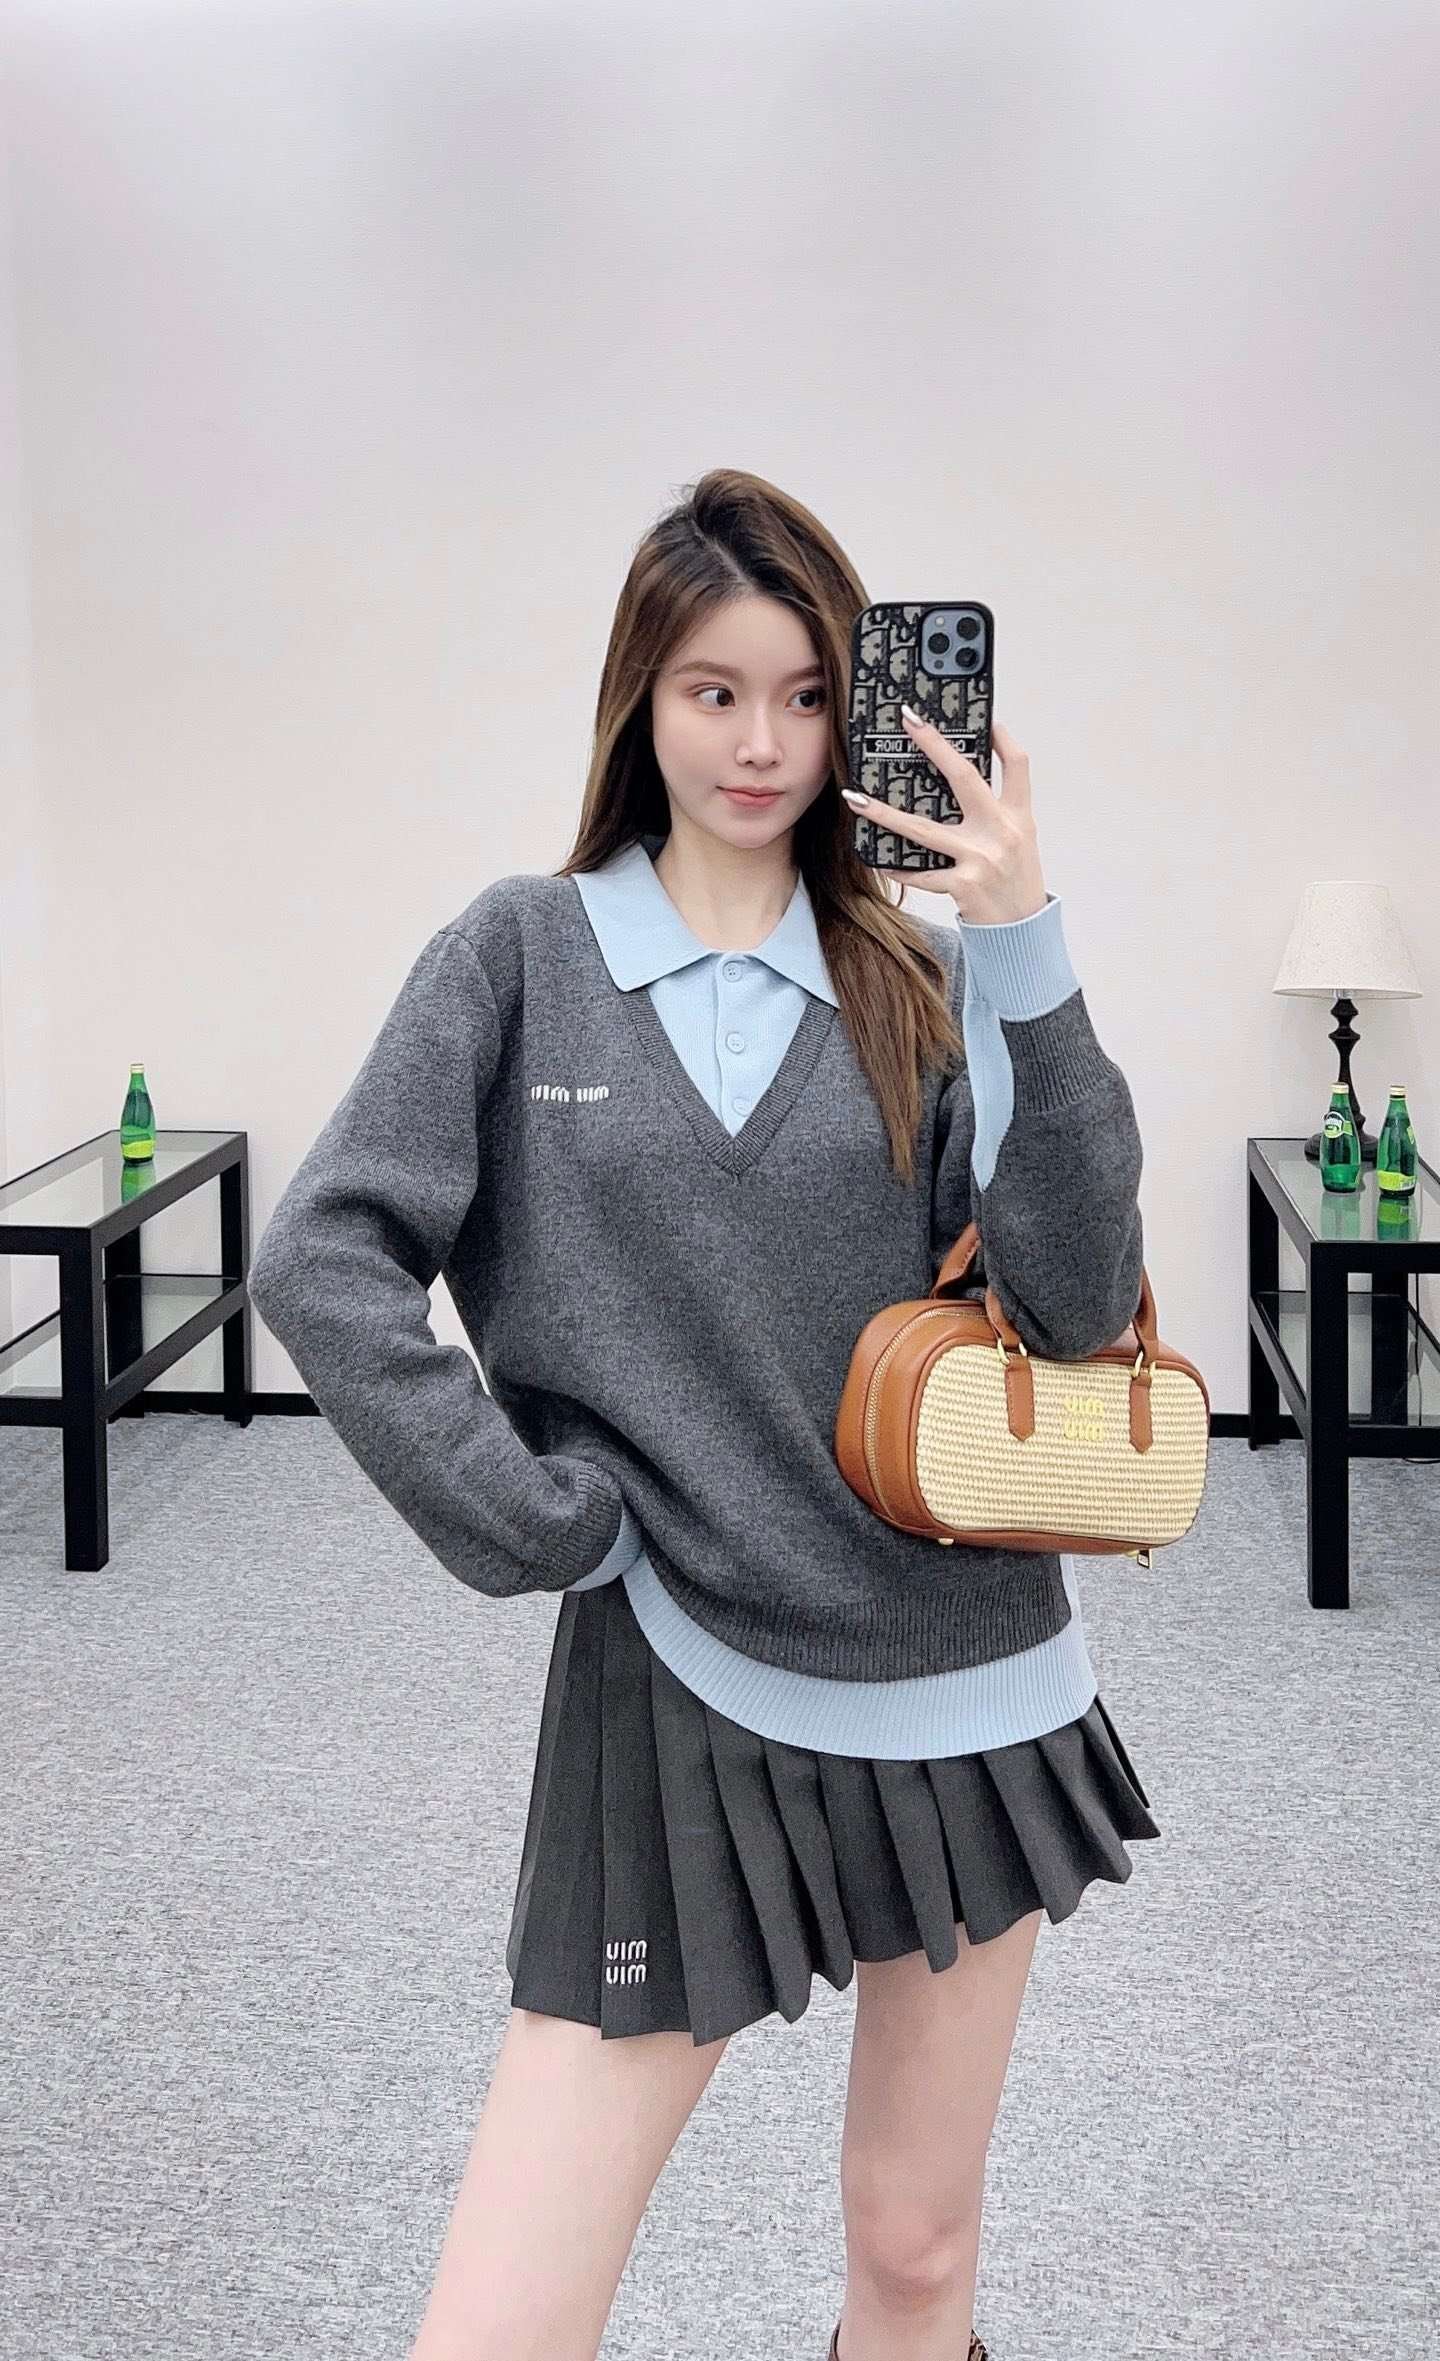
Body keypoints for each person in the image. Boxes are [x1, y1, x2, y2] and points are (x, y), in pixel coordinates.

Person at [248, 467, 1160, 2361]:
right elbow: (325, 1257)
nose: (762, 743)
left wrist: (1025, 940)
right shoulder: (520, 955)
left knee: (915, 2251)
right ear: (640, 700)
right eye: (713, 690)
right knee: (501, 2323)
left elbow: (1075, 1305)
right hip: (675, 1671)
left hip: (964, 1673)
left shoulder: (921, 977)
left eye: (809, 696)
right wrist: (530, 1517)